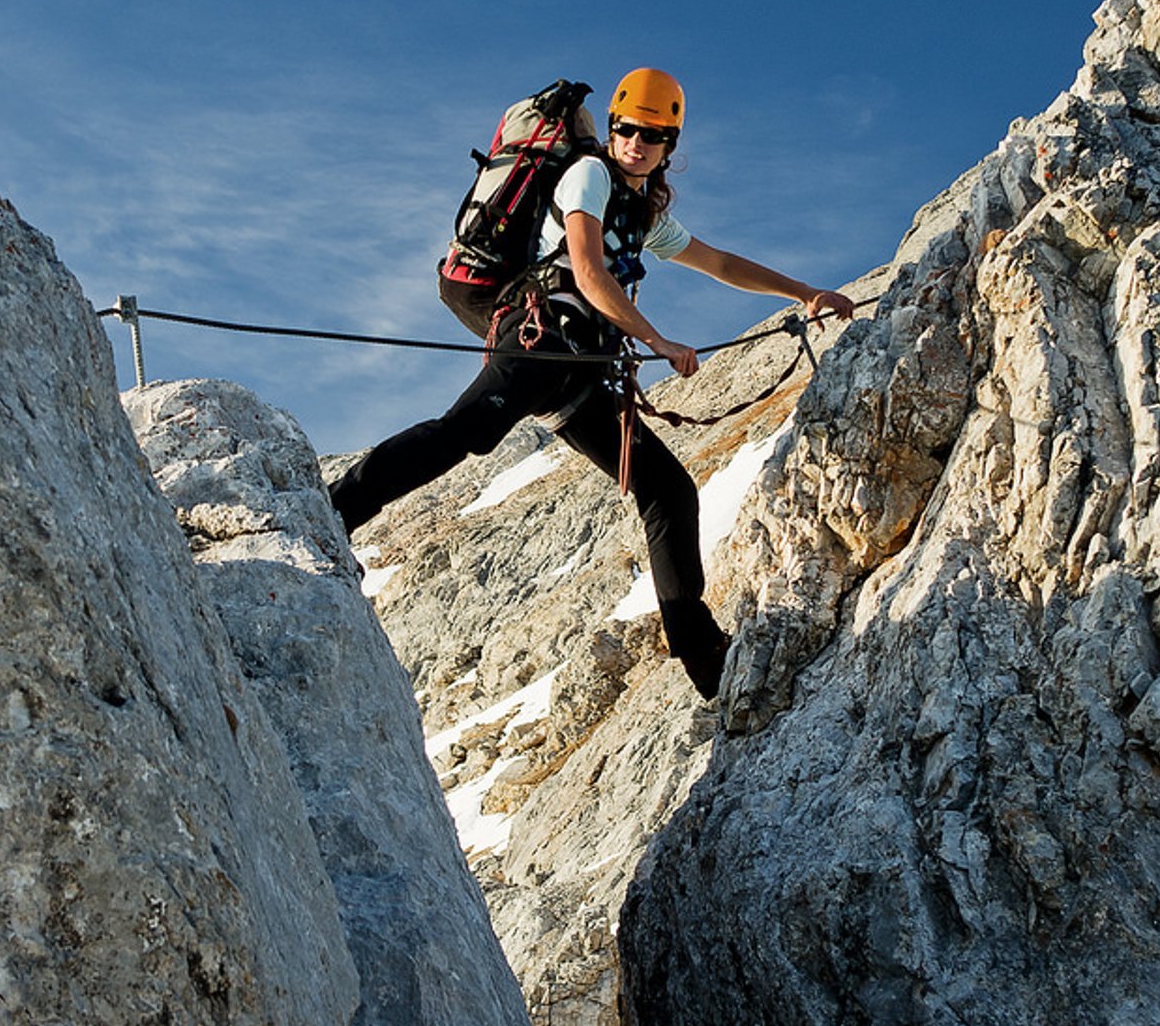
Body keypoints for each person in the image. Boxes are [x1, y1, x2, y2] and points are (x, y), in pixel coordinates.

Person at [328, 68, 855, 699]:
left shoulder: (643, 213)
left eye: (652, 134)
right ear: (611, 129)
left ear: (670, 145)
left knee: (667, 489)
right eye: (626, 128)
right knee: (467, 434)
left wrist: (804, 291)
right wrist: (656, 338)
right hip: (538, 337)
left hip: (579, 369)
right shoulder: (589, 176)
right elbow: (586, 266)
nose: (636, 141)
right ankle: (337, 509)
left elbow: (718, 262)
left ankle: (705, 659)